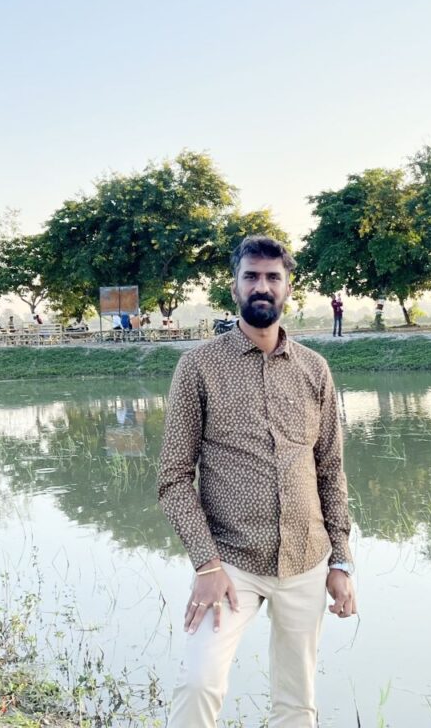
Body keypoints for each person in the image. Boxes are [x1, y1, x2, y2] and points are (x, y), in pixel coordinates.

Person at [158, 235, 356, 727]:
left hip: (306, 561)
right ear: (235, 287)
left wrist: (342, 562)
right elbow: (174, 477)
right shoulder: (199, 367)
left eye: (272, 277)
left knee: (296, 701)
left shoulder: (315, 369)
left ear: (289, 287)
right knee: (199, 681)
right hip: (230, 563)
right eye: (252, 276)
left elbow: (330, 470)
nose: (262, 286)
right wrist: (207, 565)